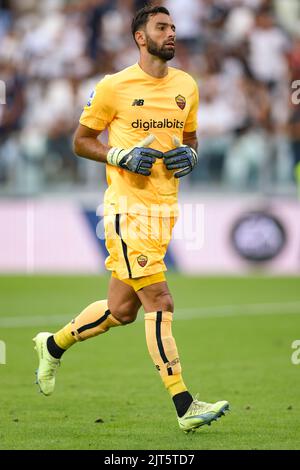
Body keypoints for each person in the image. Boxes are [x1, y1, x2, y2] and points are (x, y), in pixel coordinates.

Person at [33, 5, 229, 433]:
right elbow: (81, 141)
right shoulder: (113, 87)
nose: (172, 33)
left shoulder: (186, 86)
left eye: (174, 26)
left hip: (164, 209)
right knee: (160, 301)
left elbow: (191, 137)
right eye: (162, 27)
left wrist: (190, 154)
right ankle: (184, 403)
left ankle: (52, 344)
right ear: (141, 37)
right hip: (127, 211)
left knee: (122, 311)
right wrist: (118, 154)